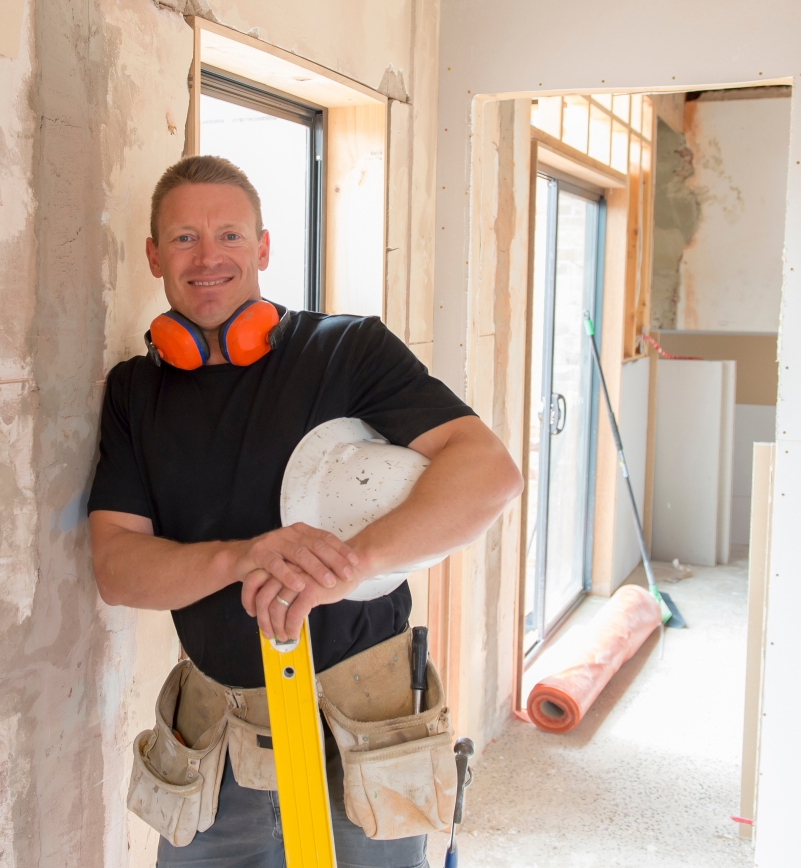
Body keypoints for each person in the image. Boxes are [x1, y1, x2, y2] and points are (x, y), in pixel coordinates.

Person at [89, 155, 522, 868]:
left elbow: (486, 470)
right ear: (153, 255)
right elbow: (118, 570)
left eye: (229, 236)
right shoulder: (137, 392)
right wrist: (242, 556)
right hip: (214, 746)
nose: (207, 258)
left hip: (357, 732)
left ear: (262, 248)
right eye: (183, 239)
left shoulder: (345, 352)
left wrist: (346, 567)